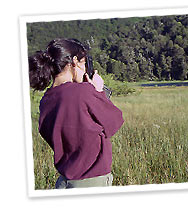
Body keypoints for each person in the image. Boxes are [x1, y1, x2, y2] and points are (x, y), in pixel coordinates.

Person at [28, 38, 124, 189]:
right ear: (74, 62)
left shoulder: (46, 100)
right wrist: (98, 91)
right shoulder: (84, 92)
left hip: (64, 181)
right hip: (91, 181)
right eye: (84, 63)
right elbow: (115, 121)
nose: (86, 69)